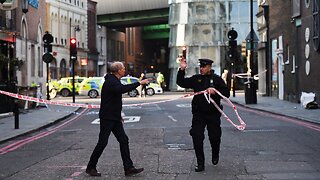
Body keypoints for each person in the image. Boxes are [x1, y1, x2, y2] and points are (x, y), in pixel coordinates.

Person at [86, 61, 149, 177]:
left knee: (123, 140)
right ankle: (91, 167)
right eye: (123, 68)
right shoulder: (111, 81)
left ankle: (128, 168)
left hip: (114, 117)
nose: (124, 70)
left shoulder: (114, 80)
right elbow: (121, 89)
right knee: (102, 143)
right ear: (119, 70)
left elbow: (113, 100)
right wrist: (139, 83)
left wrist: (119, 115)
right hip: (107, 118)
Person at [176, 58, 230, 172]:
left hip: (213, 114)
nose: (201, 69)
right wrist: (181, 69)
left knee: (215, 137)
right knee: (197, 137)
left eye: (204, 67)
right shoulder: (196, 79)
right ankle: (200, 163)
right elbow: (181, 82)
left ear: (209, 67)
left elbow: (227, 93)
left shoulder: (217, 79)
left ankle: (215, 153)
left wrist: (215, 91)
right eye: (200, 67)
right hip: (198, 114)